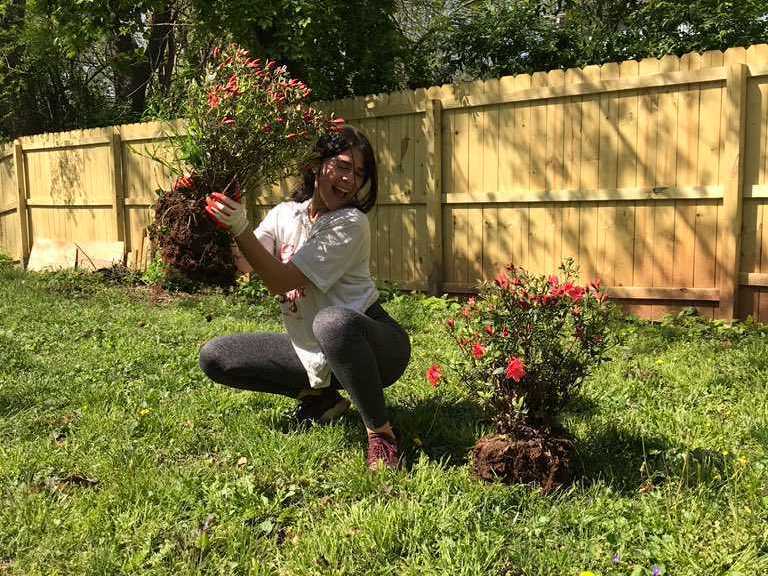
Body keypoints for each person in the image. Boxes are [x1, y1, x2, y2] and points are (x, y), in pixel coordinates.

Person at [199, 126, 411, 470]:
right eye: (342, 166)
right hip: (313, 346)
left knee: (331, 322)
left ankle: (382, 436)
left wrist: (240, 227)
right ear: (316, 164)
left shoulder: (349, 223)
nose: (349, 180)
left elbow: (281, 281)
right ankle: (322, 399)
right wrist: (218, 220)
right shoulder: (286, 214)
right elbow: (245, 262)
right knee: (216, 357)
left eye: (359, 173)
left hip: (373, 345)